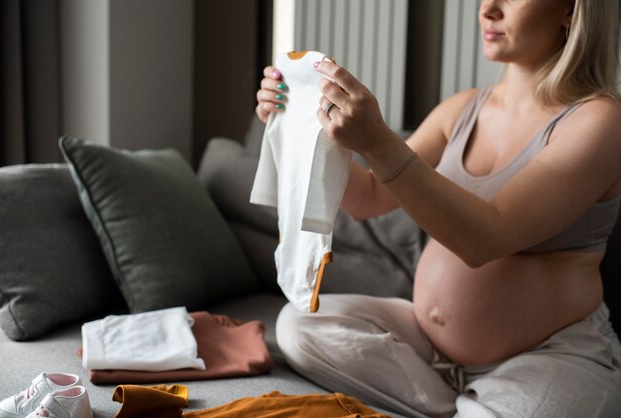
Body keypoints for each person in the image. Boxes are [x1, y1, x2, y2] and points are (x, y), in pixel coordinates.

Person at [255, 0, 621, 416]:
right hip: (428, 344)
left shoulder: (601, 121)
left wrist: (377, 140)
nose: (489, 9)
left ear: (571, 10)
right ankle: (461, 406)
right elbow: (368, 198)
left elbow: (486, 239)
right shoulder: (463, 108)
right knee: (298, 326)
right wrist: (295, 126)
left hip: (547, 355)